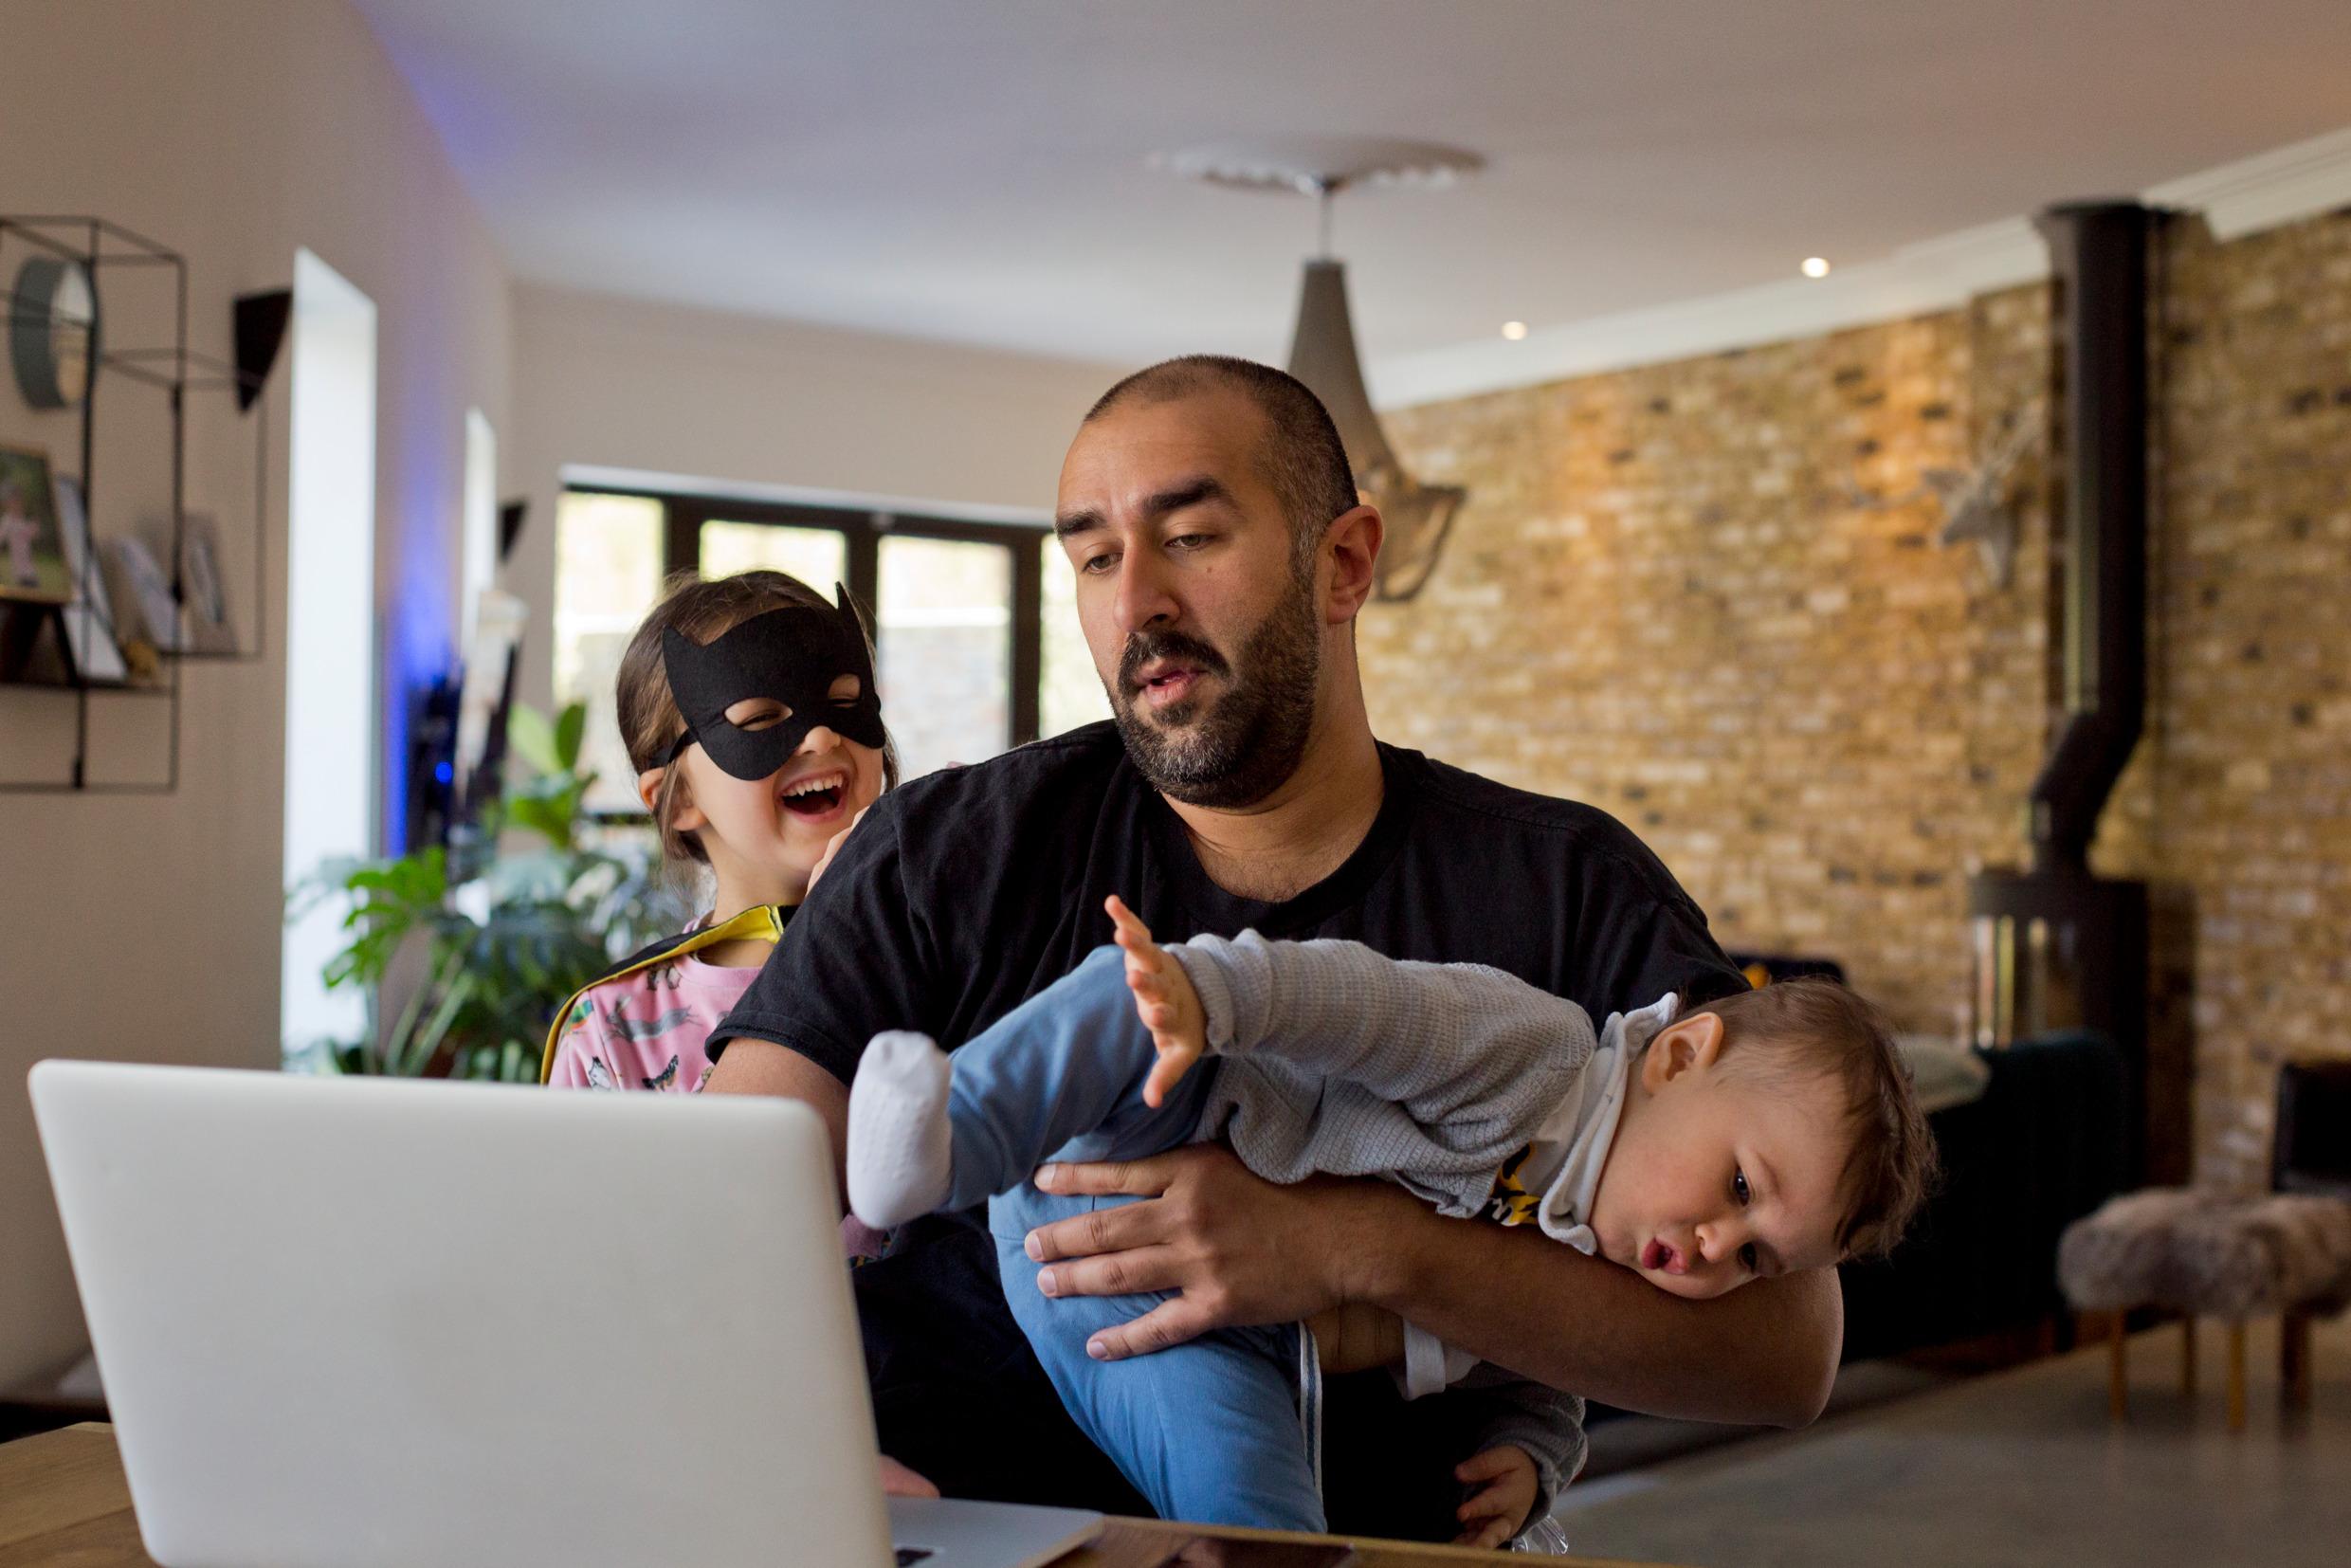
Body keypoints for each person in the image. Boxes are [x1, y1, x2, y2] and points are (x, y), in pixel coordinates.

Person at [705, 355, 1850, 1540]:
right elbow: (709, 1210)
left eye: (1190, 536)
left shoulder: (1564, 888)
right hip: (964, 1526)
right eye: (1095, 557)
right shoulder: (948, 847)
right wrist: (801, 1452)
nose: (1134, 599)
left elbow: (1781, 1355)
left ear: (1343, 563)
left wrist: (1359, 1249)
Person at [845, 896, 1933, 1543]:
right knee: (1126, 1000)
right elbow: (1356, 999)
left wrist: (1531, 1452)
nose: (1711, 1248)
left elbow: (1542, 1363)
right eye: (1738, 1189)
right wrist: (1208, 997)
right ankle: (942, 1138)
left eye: (1753, 1260)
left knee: (1257, 1519)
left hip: (1153, 1316)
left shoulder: (1595, 1250)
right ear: (1680, 1056)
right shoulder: (1532, 1058)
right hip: (1152, 1127)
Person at [540, 570, 894, 1097]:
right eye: (759, 720)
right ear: (678, 799)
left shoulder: (954, 954)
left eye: (844, 702)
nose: (822, 735)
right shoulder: (616, 1032)